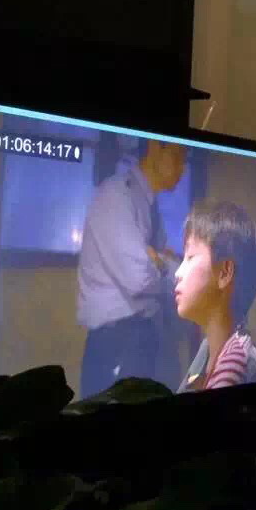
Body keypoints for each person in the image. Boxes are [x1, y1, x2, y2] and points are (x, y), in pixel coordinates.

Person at [77, 140, 186, 398]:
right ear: (155, 147)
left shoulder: (148, 204)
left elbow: (169, 270)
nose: (182, 168)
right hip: (117, 343)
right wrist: (163, 264)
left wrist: (159, 261)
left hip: (140, 336)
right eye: (178, 156)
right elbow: (139, 278)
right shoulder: (117, 196)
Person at [174, 201, 256, 393]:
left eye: (190, 257)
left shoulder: (235, 361)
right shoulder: (209, 348)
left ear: (225, 272)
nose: (177, 273)